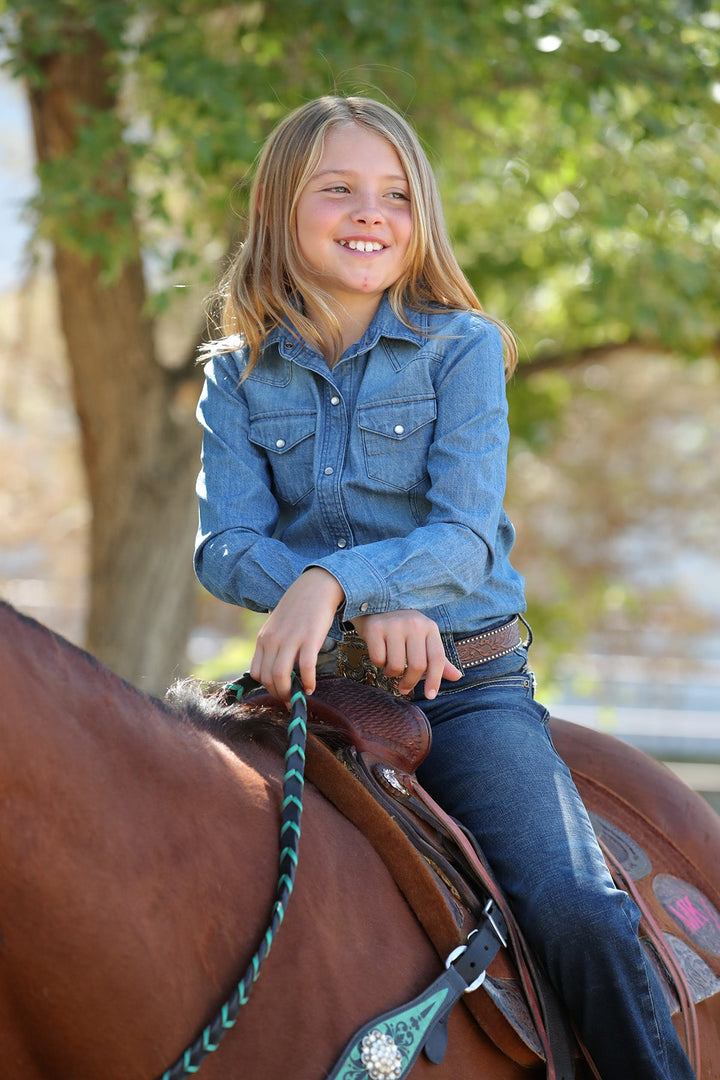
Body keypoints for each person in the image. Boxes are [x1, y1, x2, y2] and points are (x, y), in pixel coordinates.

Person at [193, 95, 694, 1079]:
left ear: (420, 221)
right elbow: (224, 548)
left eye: (395, 196)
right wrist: (358, 603)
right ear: (281, 211)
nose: (369, 213)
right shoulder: (236, 374)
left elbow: (464, 540)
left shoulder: (461, 348)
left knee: (574, 907)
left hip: (462, 691)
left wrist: (336, 579)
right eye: (338, 190)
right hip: (308, 685)